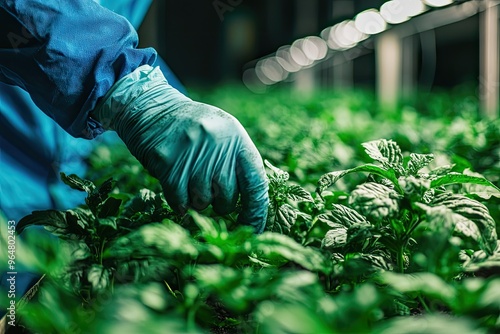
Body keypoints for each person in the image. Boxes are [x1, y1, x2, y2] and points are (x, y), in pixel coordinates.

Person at [0, 0, 269, 308]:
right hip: (8, 167)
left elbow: (109, 26)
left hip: (68, 175)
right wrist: (128, 91)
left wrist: (171, 102)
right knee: (8, 293)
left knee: (49, 303)